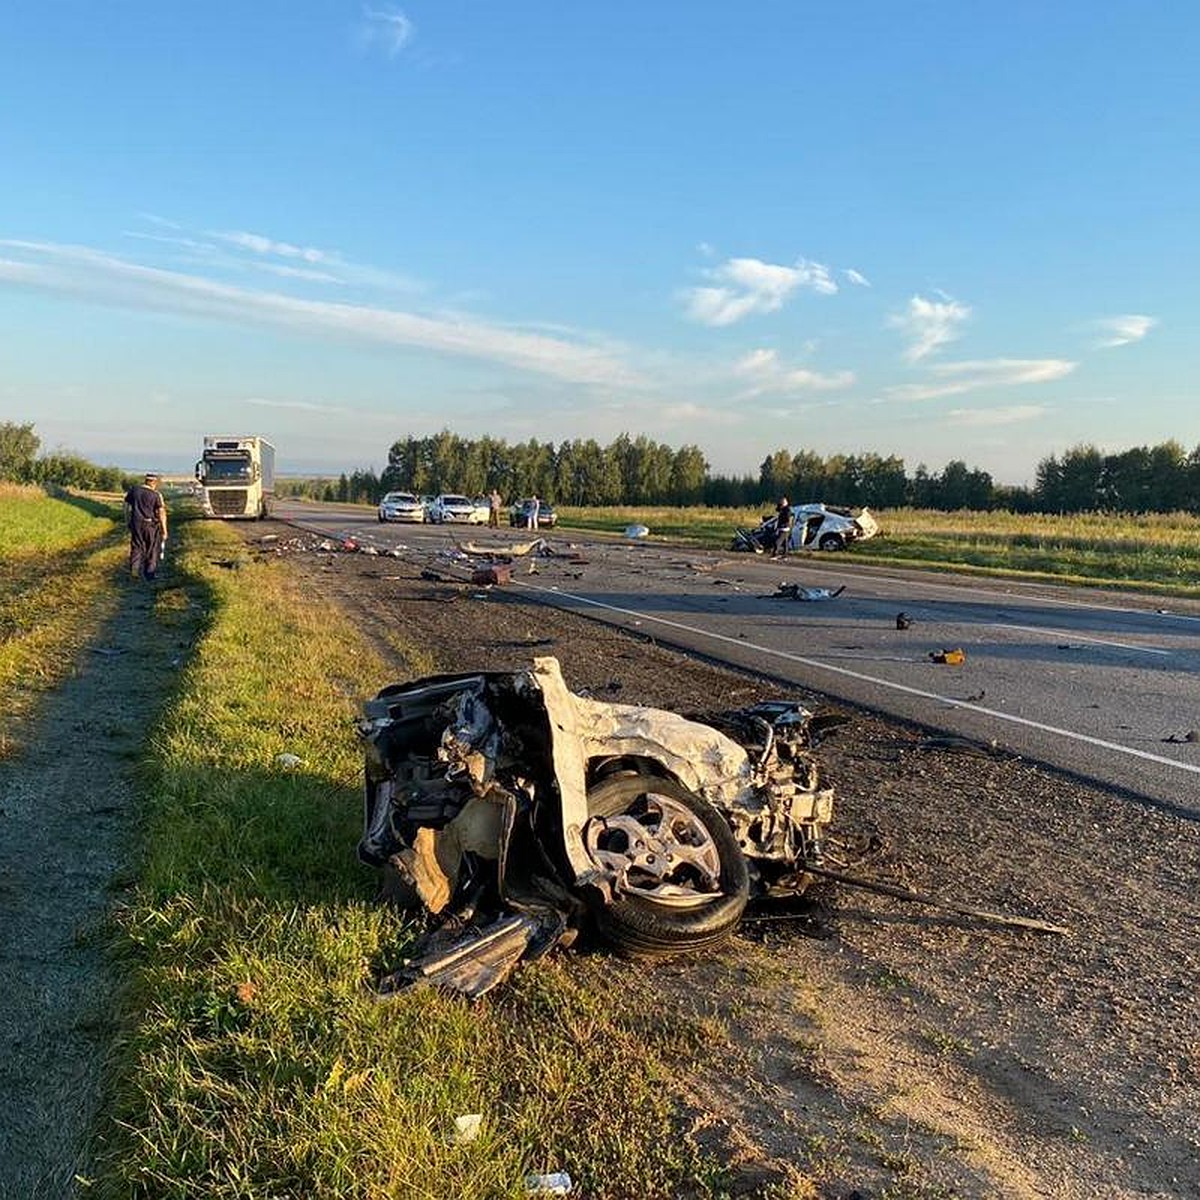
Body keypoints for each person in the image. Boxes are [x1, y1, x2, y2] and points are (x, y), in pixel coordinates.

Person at [124, 472, 168, 582]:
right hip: (150, 525)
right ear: (154, 482)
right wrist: (164, 530)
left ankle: (134, 572)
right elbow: (161, 512)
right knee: (151, 549)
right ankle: (149, 574)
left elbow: (126, 507)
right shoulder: (156, 495)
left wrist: (127, 521)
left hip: (136, 523)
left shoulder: (134, 491)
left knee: (136, 546)